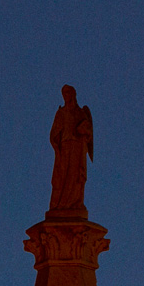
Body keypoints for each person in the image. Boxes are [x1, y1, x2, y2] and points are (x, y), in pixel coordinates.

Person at [48, 85, 94, 216]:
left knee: (75, 176)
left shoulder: (80, 112)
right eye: (64, 93)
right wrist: (57, 147)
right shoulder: (61, 113)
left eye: (68, 93)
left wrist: (84, 131)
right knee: (63, 175)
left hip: (77, 148)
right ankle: (60, 204)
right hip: (65, 147)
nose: (66, 96)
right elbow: (54, 134)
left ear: (73, 94)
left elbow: (89, 134)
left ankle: (75, 203)